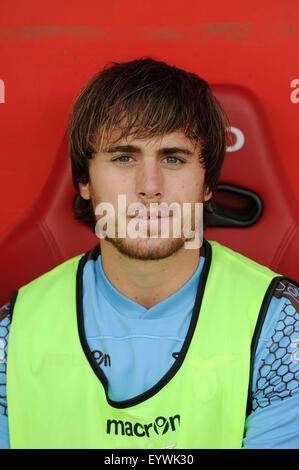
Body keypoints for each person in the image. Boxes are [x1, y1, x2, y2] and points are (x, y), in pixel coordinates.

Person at [0, 58, 298, 449]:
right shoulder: (14, 330)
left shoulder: (281, 326)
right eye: (124, 157)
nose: (150, 186)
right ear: (84, 182)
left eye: (173, 158)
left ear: (207, 183)